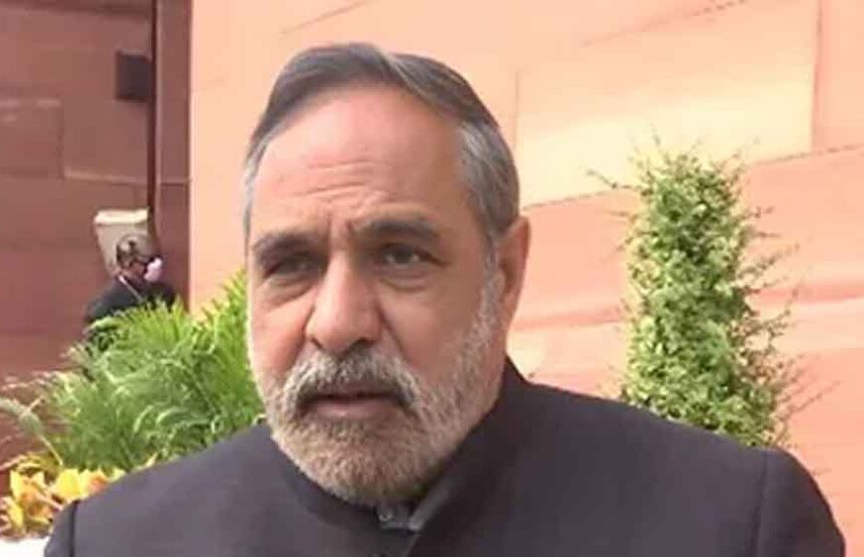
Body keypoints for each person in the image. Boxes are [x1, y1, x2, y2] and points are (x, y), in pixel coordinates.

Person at [46, 44, 843, 556]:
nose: (338, 323)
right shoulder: (121, 542)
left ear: (506, 273)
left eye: (400, 255)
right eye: (291, 263)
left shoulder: (728, 526)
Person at [82, 232, 176, 327]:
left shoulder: (163, 292)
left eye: (153, 261)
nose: (151, 267)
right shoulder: (108, 302)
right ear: (127, 263)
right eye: (145, 262)